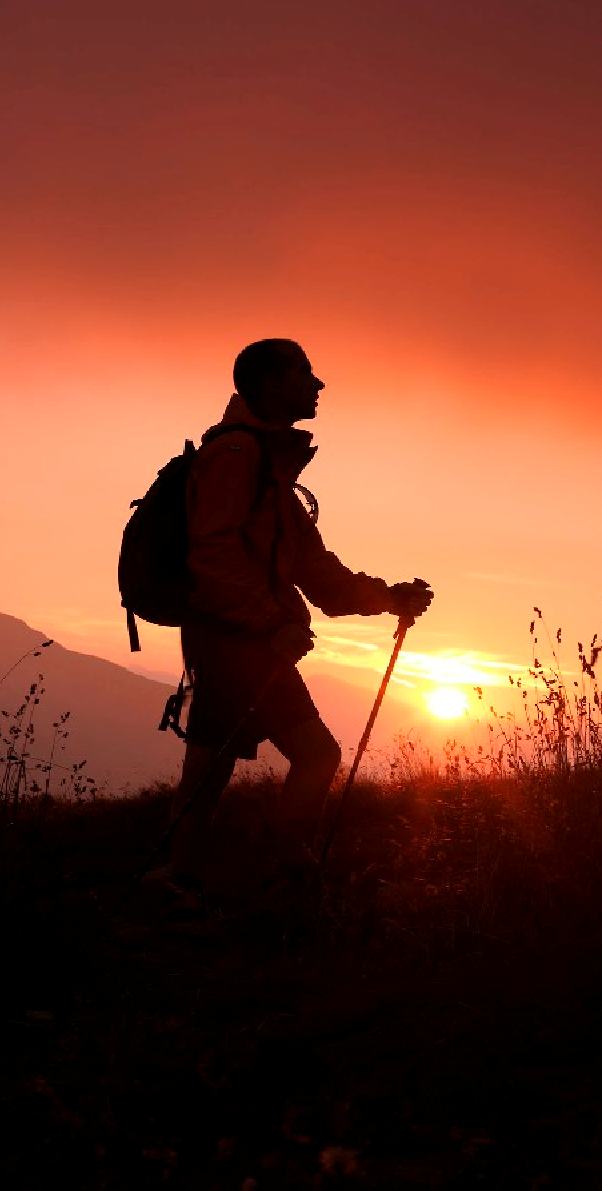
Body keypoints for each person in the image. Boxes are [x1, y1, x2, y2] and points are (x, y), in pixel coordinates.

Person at [162, 339, 432, 915]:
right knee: (311, 755)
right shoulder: (239, 457)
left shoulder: (269, 468)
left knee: (211, 764)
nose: (318, 384)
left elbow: (318, 574)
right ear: (267, 384)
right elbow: (210, 557)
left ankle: (185, 881)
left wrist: (388, 598)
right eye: (303, 373)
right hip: (239, 640)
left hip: (239, 639)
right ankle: (283, 876)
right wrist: (268, 623)